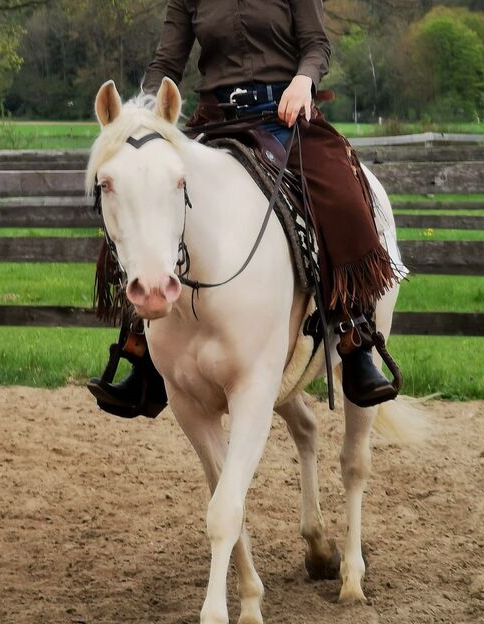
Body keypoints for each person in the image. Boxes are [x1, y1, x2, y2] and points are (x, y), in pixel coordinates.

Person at [89, 0, 400, 416]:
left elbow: (315, 45)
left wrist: (303, 81)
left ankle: (353, 333)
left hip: (284, 117)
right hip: (214, 120)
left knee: (343, 195)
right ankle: (142, 349)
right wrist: (139, 121)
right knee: (147, 194)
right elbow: (167, 62)